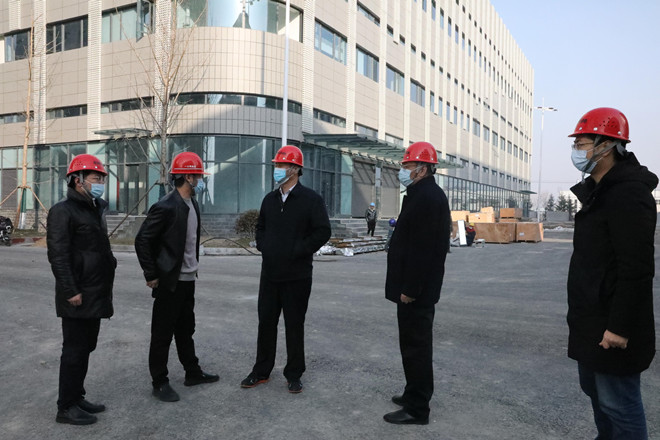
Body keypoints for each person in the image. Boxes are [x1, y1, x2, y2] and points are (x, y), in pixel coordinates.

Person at [567, 107, 656, 439]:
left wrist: (619, 327)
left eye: (582, 144)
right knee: (597, 396)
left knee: (619, 404)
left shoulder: (628, 193)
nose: (577, 151)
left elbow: (636, 268)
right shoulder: (600, 192)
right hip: (591, 318)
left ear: (606, 146)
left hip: (612, 325)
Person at [240, 145, 331, 394]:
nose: (277, 170)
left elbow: (323, 231)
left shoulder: (311, 199)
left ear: (295, 169)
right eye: (276, 165)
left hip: (297, 276)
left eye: (281, 165)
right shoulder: (269, 199)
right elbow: (260, 227)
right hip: (270, 274)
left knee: (294, 325)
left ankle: (294, 374)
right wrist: (264, 245)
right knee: (266, 323)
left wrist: (299, 249)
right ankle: (261, 371)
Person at [134, 152, 219, 402]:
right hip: (169, 282)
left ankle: (192, 372)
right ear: (188, 177)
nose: (200, 181)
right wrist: (151, 273)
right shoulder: (166, 206)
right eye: (198, 176)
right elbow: (142, 240)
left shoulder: (192, 204)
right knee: (162, 334)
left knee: (185, 329)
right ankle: (159, 382)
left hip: (188, 279)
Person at [383, 141, 450, 425]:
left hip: (416, 292)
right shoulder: (419, 194)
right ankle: (413, 393)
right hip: (414, 288)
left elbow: (423, 250)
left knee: (416, 348)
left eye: (407, 166)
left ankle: (417, 408)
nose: (403, 170)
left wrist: (410, 289)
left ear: (422, 169)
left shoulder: (427, 198)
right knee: (411, 345)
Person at [47, 154, 116, 425]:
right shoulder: (63, 211)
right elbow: (58, 255)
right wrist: (70, 290)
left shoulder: (93, 208)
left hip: (95, 291)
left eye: (101, 179)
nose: (100, 183)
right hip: (77, 294)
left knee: (87, 347)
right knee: (74, 351)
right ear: (77, 180)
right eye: (95, 178)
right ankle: (65, 407)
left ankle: (77, 396)